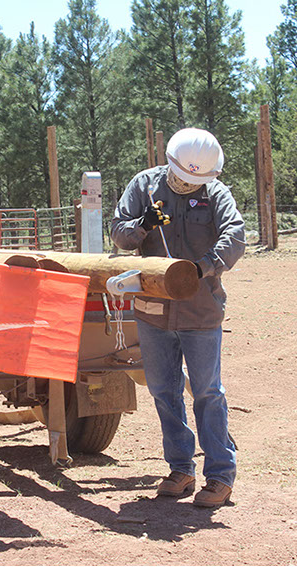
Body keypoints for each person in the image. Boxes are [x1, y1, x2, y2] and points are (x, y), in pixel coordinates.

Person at [111, 127, 245, 507]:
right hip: (153, 311)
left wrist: (203, 267)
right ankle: (181, 469)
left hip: (200, 310)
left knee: (207, 392)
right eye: (182, 178)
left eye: (193, 181)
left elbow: (235, 236)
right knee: (163, 391)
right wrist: (143, 226)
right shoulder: (144, 186)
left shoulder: (215, 193)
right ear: (170, 163)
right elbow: (119, 233)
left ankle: (220, 476)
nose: (186, 185)